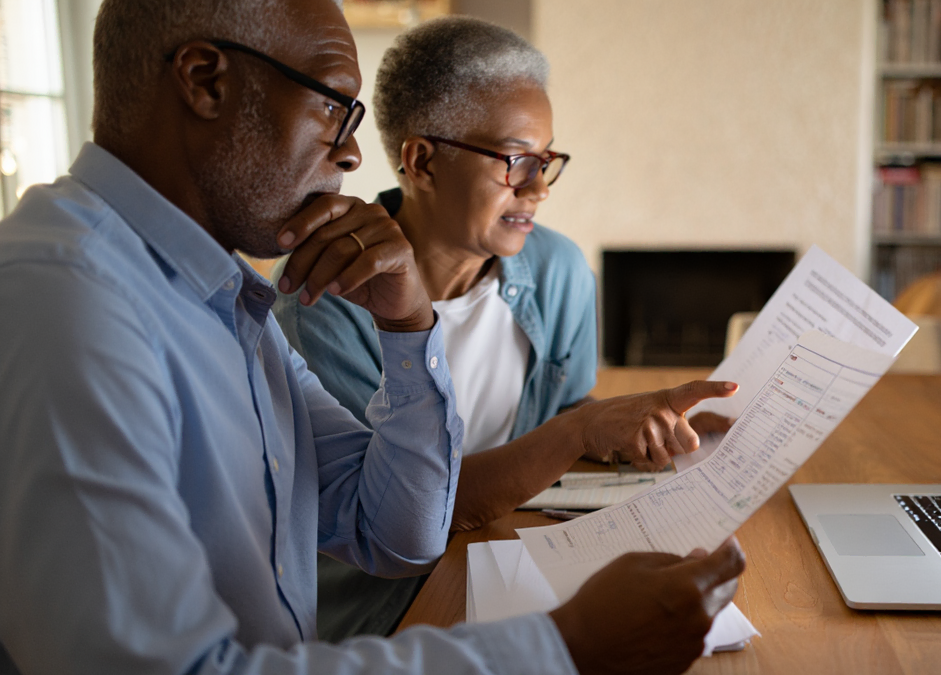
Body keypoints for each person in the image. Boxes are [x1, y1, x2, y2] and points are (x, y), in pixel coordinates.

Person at [0, 1, 745, 674]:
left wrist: (407, 325)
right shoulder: (67, 302)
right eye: (332, 107)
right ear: (205, 80)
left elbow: (395, 529)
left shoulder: (219, 295)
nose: (354, 156)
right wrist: (562, 646)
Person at [272, 17, 736, 641]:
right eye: (516, 161)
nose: (539, 189)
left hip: (507, 557)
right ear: (422, 161)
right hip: (387, 617)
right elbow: (401, 518)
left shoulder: (558, 270)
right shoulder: (323, 300)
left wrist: (639, 429)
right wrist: (578, 430)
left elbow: (567, 414)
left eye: (546, 162)